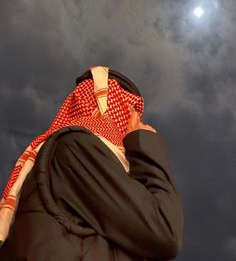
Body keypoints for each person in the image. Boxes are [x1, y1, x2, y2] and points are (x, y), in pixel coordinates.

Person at [0, 65, 184, 260]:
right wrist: (145, 144)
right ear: (103, 103)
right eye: (127, 109)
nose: (133, 120)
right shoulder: (76, 146)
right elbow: (165, 231)